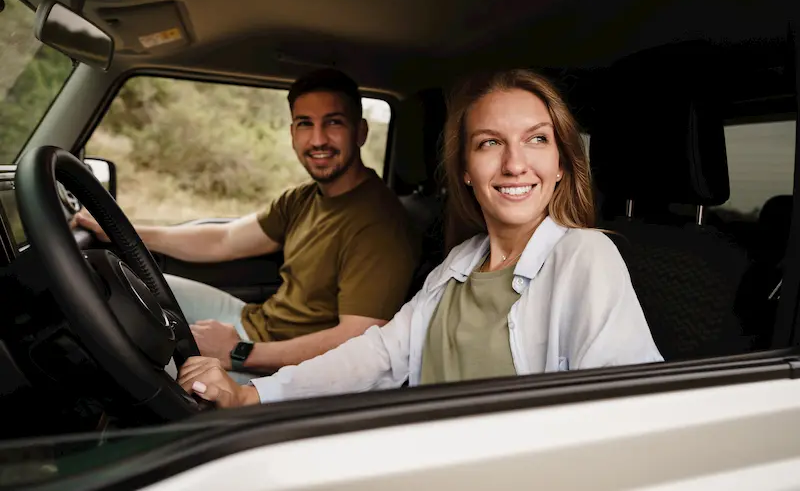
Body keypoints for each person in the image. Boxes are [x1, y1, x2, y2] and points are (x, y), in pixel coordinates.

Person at [175, 68, 664, 406]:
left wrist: (240, 358)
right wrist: (251, 395)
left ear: (560, 165)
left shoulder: (586, 255)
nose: (515, 163)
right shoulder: (458, 265)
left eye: (537, 139)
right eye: (490, 142)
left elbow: (625, 412)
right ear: (467, 171)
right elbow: (378, 356)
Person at [74, 69, 421, 380]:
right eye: (305, 123)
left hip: (285, 365)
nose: (317, 140)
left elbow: (359, 338)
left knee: (131, 364)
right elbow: (224, 239)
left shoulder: (379, 225)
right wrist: (120, 230)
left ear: (360, 132)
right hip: (255, 322)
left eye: (333, 123)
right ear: (292, 132)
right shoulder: (302, 198)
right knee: (118, 284)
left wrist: (239, 352)